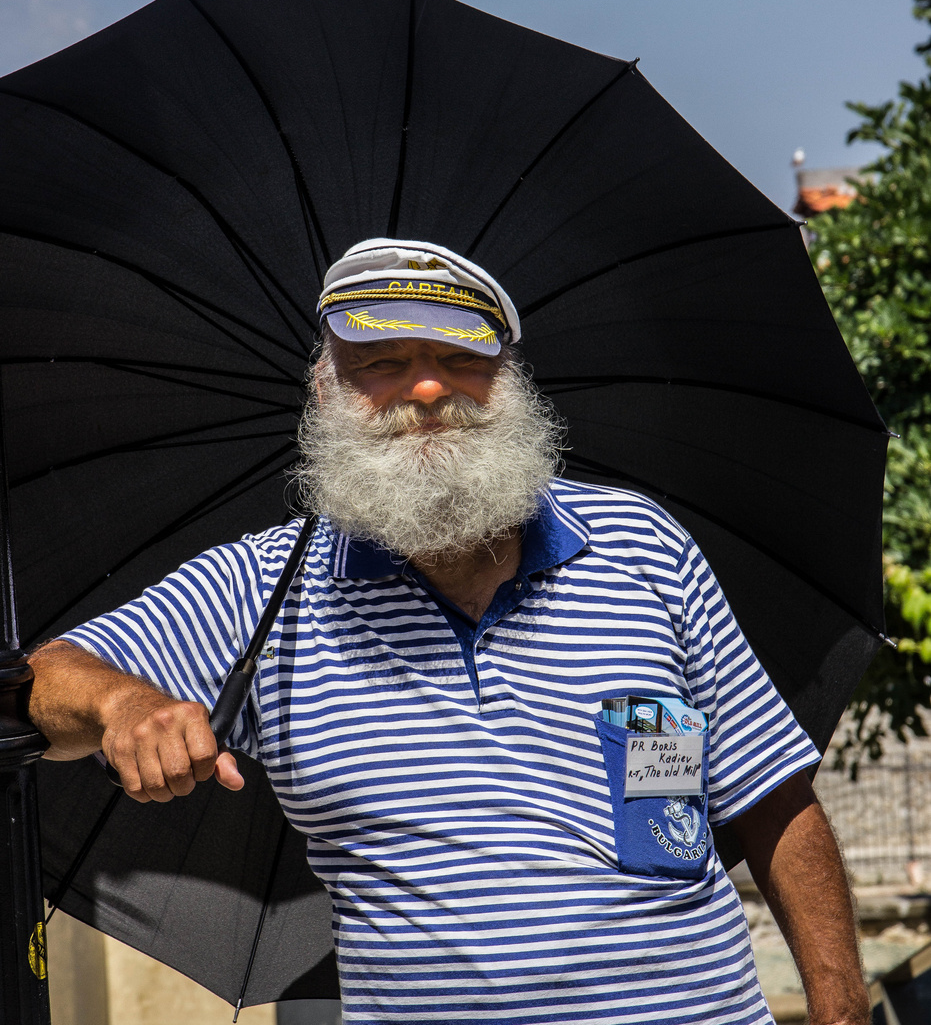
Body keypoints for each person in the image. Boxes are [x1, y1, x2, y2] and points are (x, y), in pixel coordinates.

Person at [27, 239, 869, 1025]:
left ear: (510, 383)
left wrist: (840, 1011)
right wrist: (122, 704)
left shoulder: (640, 546)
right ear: (325, 393)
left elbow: (770, 799)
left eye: (461, 359)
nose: (427, 390)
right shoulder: (263, 590)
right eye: (381, 366)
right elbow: (38, 683)